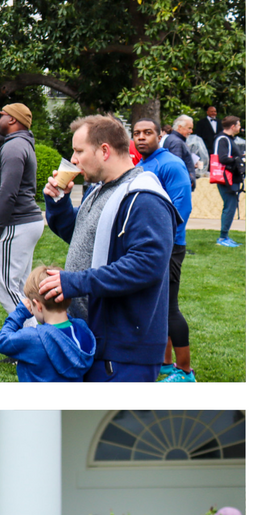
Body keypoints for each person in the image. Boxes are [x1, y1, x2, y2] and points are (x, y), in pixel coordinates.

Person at [40, 115, 175, 382]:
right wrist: (58, 203)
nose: (73, 159)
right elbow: (80, 235)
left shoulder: (144, 197)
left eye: (79, 151)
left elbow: (146, 266)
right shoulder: (100, 189)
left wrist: (74, 282)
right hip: (99, 339)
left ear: (104, 150)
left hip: (124, 349)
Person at [134, 119, 195, 381]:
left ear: (161, 135)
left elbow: (182, 206)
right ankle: (166, 363)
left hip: (168, 245)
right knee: (157, 306)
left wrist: (163, 240)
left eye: (148, 133)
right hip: (149, 245)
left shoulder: (170, 163)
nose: (141, 138)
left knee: (169, 307)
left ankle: (185, 372)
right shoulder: (140, 165)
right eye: (136, 133)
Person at [0, 102, 45, 312]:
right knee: (19, 286)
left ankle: (31, 335)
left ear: (12, 119)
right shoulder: (20, 144)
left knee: (8, 287)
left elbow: (8, 192)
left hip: (16, 222)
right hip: (23, 222)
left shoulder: (14, 146)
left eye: (1, 114)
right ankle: (33, 332)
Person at [0, 265, 95, 381]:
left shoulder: (32, 338)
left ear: (38, 305)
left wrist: (20, 313)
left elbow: (2, 342)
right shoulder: (82, 329)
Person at [211, 116, 242, 246]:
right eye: (239, 125)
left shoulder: (228, 139)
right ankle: (223, 238)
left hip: (231, 177)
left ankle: (225, 236)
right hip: (225, 177)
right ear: (233, 126)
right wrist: (239, 159)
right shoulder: (222, 139)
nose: (240, 127)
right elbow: (222, 158)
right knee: (229, 205)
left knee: (231, 205)